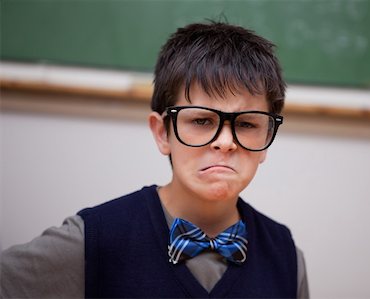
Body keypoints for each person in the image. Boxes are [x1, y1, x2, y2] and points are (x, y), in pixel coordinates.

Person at [1, 21, 309, 298]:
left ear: (268, 136)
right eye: (202, 121)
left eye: (246, 124)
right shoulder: (92, 241)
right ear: (162, 132)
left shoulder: (286, 257)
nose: (226, 142)